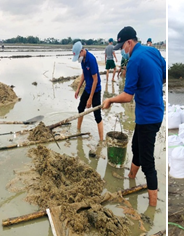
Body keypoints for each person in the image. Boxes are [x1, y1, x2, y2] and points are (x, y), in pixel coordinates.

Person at [103, 26, 165, 206]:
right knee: (136, 147)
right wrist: (149, 87)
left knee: (148, 163)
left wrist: (110, 100)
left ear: (130, 42)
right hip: (152, 112)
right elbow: (163, 76)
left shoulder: (135, 60)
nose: (123, 50)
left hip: (149, 117)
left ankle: (152, 207)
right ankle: (131, 177)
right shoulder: (153, 51)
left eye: (123, 46)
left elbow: (127, 96)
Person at [72, 41, 104, 141]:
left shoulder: (91, 59)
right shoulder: (83, 60)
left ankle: (101, 140)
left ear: (82, 51)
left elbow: (95, 80)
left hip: (95, 90)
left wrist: (90, 98)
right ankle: (78, 130)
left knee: (97, 115)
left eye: (78, 55)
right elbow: (84, 74)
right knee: (80, 108)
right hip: (87, 88)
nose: (78, 58)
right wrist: (78, 88)